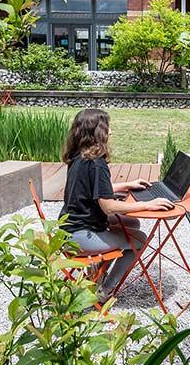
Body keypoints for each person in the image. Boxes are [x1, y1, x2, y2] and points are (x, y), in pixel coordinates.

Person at [59, 108, 174, 302]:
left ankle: (99, 270)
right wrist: (148, 205)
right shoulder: (97, 164)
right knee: (140, 240)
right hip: (79, 236)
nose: (110, 133)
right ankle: (105, 290)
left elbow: (93, 189)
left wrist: (127, 185)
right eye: (107, 128)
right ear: (98, 132)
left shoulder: (78, 157)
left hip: (68, 227)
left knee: (132, 224)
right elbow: (109, 207)